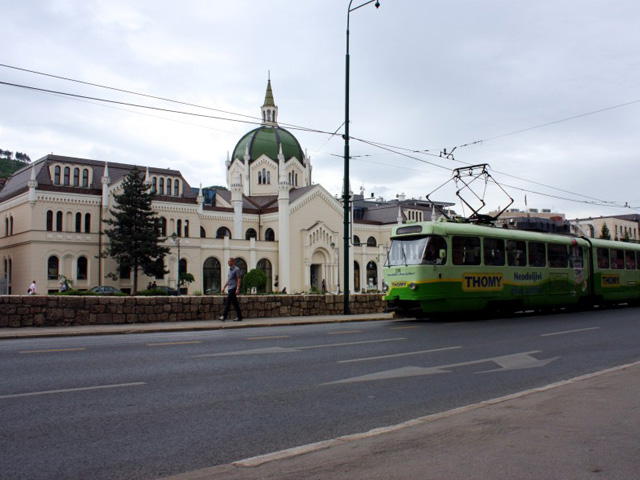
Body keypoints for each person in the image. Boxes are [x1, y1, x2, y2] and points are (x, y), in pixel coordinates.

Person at [220, 257, 243, 322]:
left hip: (233, 288)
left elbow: (239, 279)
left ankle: (224, 316)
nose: (228, 263)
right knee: (235, 303)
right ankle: (239, 317)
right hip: (229, 288)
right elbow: (229, 280)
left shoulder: (236, 269)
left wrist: (237, 289)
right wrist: (224, 287)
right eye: (228, 261)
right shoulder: (229, 270)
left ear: (233, 262)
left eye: (229, 261)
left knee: (228, 302)